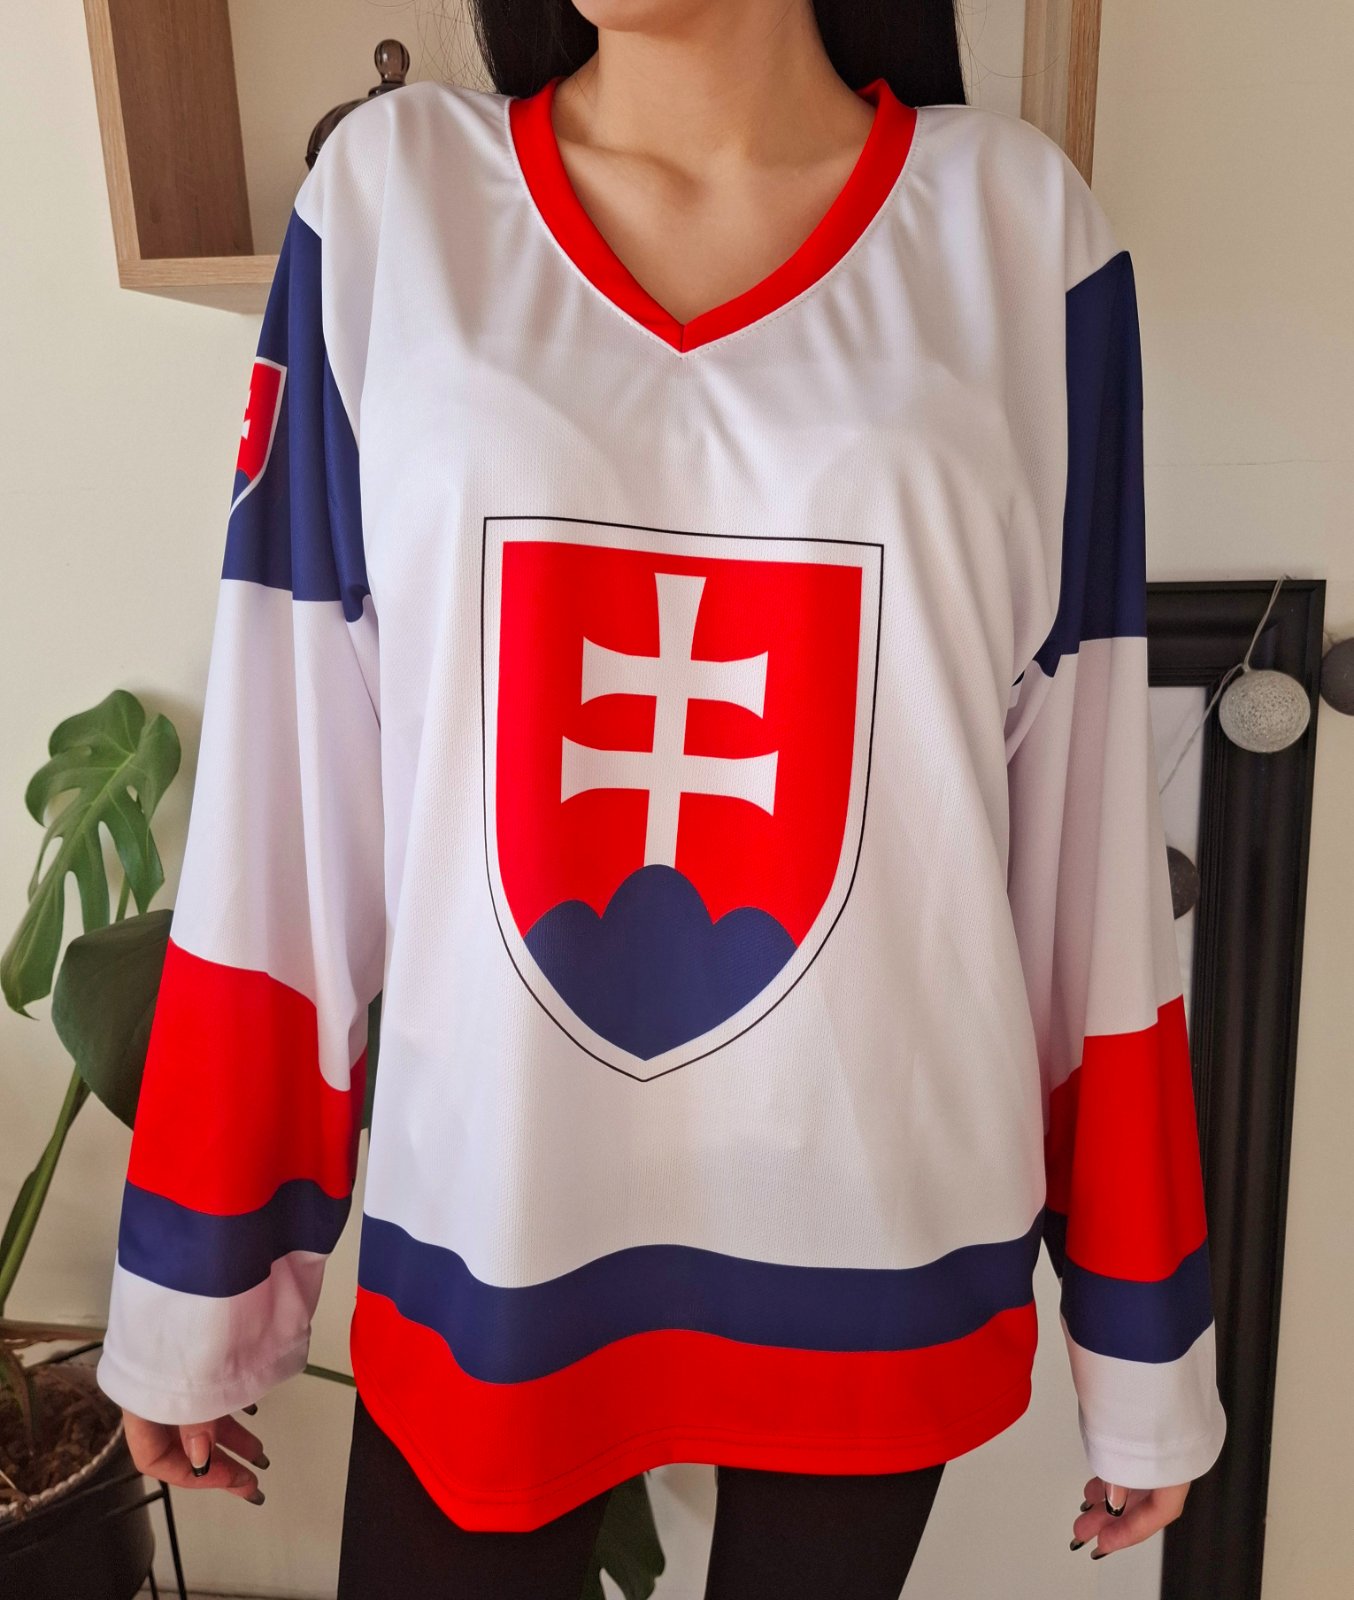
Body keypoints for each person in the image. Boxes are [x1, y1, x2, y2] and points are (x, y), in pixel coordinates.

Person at [94, 2, 1228, 1595]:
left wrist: (1143, 1341)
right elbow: (289, 785)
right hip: (492, 1211)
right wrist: (191, 1292)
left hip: (879, 1220)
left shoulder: (1018, 232)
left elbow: (1082, 841)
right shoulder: (390, 203)